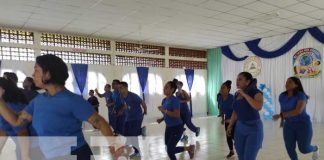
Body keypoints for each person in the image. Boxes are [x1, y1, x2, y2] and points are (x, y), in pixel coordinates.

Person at [0, 54, 118, 160]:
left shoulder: (72, 100)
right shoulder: (39, 101)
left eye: (36, 70)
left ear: (48, 74)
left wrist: (113, 146)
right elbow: (16, 121)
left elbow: (100, 122)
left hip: (76, 154)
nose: (32, 74)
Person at [272, 77, 319, 160]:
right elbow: (283, 109)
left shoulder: (301, 95)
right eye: (286, 82)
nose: (287, 84)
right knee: (289, 148)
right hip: (289, 126)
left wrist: (280, 115)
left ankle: (315, 148)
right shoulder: (282, 96)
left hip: (303, 125)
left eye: (290, 82)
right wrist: (282, 122)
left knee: (304, 149)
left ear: (296, 84)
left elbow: (298, 111)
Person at [227, 72, 264, 160]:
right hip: (240, 128)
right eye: (237, 79)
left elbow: (258, 106)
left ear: (247, 82)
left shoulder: (256, 92)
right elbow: (235, 111)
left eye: (240, 79)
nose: (237, 81)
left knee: (249, 157)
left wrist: (245, 95)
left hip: (254, 129)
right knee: (241, 156)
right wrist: (230, 125)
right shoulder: (236, 94)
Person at [157, 79, 195, 160]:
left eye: (166, 87)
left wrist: (164, 110)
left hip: (177, 127)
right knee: (168, 148)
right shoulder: (164, 100)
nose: (164, 89)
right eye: (164, 87)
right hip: (168, 127)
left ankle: (189, 149)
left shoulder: (175, 100)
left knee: (170, 151)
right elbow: (167, 114)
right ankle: (189, 148)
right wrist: (162, 119)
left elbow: (176, 114)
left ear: (172, 90)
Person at [0, 77, 29, 160]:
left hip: (30, 148)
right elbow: (4, 130)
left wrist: (25, 156)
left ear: (3, 91)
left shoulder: (12, 106)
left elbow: (22, 132)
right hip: (22, 147)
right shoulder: (5, 106)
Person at [119, 81, 147, 158]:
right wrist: (122, 110)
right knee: (126, 133)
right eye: (119, 88)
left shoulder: (133, 96)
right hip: (128, 118)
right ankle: (141, 131)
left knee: (133, 135)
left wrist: (145, 111)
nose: (119, 90)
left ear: (126, 88)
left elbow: (142, 103)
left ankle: (137, 152)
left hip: (136, 117)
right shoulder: (121, 96)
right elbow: (126, 105)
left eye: (121, 88)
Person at [217, 80, 235, 158]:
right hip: (227, 119)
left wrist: (231, 120)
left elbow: (236, 111)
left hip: (236, 120)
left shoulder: (232, 98)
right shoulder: (220, 97)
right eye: (221, 88)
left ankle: (242, 151)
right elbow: (221, 108)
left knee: (235, 137)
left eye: (223, 88)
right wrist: (222, 118)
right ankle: (231, 151)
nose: (221, 89)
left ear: (228, 89)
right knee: (228, 137)